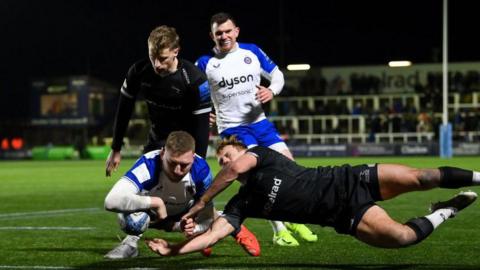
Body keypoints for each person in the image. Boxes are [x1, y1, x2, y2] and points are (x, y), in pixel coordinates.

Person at [146, 136, 479, 256]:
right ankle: (446, 210)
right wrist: (174, 248)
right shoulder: (241, 204)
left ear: (241, 152)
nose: (226, 163)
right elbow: (212, 237)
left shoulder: (261, 154)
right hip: (343, 215)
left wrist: (201, 203)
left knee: (424, 177)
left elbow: (233, 172)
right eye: (221, 161)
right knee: (402, 238)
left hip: (349, 177)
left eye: (228, 156)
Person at [195, 12, 316, 246]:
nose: (224, 36)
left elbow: (278, 75)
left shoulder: (252, 52)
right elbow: (193, 94)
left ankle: (292, 219)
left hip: (260, 123)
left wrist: (272, 91)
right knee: (259, 177)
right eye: (218, 33)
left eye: (228, 31)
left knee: (290, 167)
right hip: (232, 129)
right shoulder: (205, 63)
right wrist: (201, 114)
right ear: (212, 36)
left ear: (236, 31)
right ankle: (279, 229)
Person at [104, 131, 260, 259]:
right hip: (153, 213)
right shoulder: (148, 164)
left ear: (193, 157)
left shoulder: (201, 172)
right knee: (132, 222)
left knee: (208, 223)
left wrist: (194, 228)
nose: (178, 170)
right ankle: (131, 242)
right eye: (172, 163)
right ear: (162, 153)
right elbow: (111, 201)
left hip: (185, 214)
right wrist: (156, 202)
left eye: (184, 165)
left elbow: (206, 219)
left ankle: (233, 226)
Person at [105, 25, 211, 177]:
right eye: (152, 56)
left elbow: (201, 128)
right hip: (155, 143)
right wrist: (116, 149)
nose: (156, 64)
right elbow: (124, 109)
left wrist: (199, 165)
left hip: (185, 149)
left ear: (176, 51)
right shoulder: (138, 72)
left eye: (162, 58)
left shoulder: (196, 81)